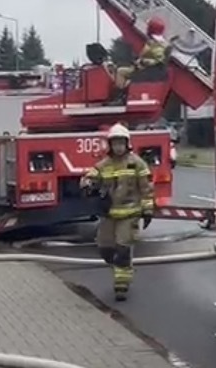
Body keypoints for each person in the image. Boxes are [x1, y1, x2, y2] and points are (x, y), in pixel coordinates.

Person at [79, 123, 155, 301]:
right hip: (109, 215)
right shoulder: (104, 165)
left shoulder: (137, 163)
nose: (119, 147)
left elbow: (147, 188)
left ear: (127, 143)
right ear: (110, 145)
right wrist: (87, 184)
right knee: (105, 249)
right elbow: (89, 176)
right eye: (115, 143)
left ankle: (121, 286)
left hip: (130, 215)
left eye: (121, 143)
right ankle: (121, 267)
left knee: (122, 250)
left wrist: (148, 209)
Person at [112, 18, 170, 91]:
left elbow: (156, 60)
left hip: (145, 71)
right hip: (146, 70)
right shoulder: (160, 42)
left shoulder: (157, 44)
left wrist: (141, 62)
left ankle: (120, 92)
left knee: (120, 71)